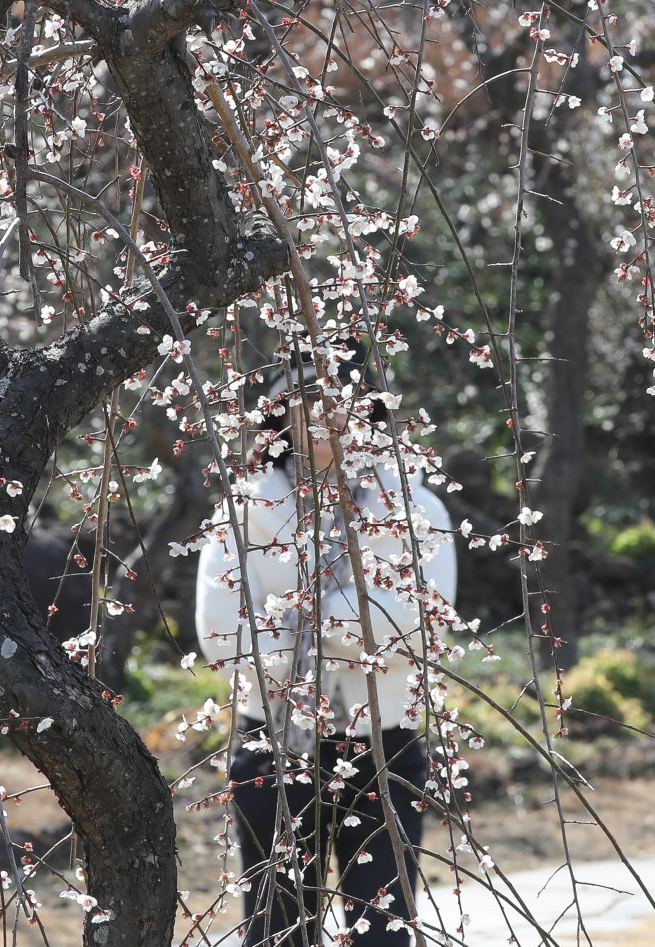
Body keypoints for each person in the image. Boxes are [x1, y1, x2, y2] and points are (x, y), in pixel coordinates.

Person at [195, 354, 456, 947]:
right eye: (307, 402)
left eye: (343, 403)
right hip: (275, 736)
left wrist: (302, 618)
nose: (325, 418)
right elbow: (224, 635)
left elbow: (418, 622)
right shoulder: (246, 511)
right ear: (280, 415)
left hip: (383, 740)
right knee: (278, 925)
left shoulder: (411, 509)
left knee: (384, 929)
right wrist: (338, 633)